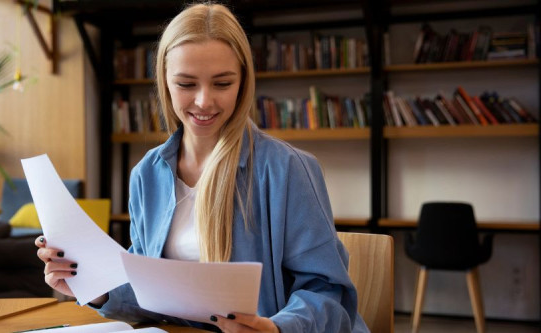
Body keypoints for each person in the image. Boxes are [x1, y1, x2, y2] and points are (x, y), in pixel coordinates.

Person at [36, 3, 370, 332]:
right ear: (165, 82)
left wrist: (276, 328)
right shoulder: (147, 174)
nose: (204, 101)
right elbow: (153, 293)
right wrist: (97, 289)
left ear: (243, 82)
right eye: (186, 84)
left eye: (223, 84)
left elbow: (329, 293)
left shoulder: (287, 170)